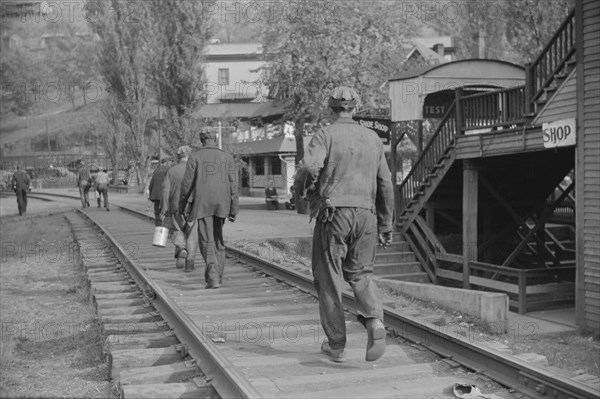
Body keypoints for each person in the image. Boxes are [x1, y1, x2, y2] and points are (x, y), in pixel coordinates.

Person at [293, 86, 394, 363]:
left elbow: (306, 168)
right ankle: (374, 320)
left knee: (328, 278)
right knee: (361, 274)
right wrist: (386, 225)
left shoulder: (326, 134)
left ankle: (336, 345)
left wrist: (305, 190)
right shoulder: (373, 138)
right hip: (367, 215)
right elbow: (385, 183)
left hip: (334, 213)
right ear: (356, 108)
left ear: (331, 108)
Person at [178, 129, 238, 287]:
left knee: (206, 240)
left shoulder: (195, 156)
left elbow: (186, 185)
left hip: (203, 204)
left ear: (201, 140)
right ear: (215, 138)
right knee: (218, 239)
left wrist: (181, 206)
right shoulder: (227, 157)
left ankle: (213, 277)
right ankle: (218, 274)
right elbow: (233, 185)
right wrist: (234, 209)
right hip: (222, 203)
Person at [160, 146, 195, 270]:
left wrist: (163, 209)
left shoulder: (172, 171)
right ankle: (190, 263)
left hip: (175, 206)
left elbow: (165, 190)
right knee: (190, 234)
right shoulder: (195, 170)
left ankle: (181, 249)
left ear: (178, 157)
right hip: (192, 206)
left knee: (176, 230)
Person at [148, 157, 171, 226]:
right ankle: (165, 232)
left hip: (156, 196)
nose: (171, 164)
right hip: (166, 196)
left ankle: (158, 232)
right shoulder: (169, 170)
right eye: (170, 162)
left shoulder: (156, 171)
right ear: (167, 162)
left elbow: (151, 185)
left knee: (157, 215)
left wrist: (151, 196)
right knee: (167, 214)